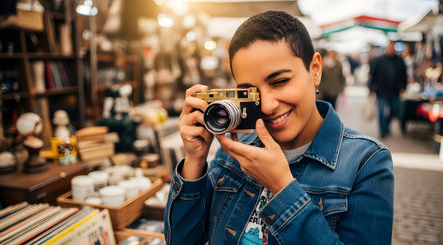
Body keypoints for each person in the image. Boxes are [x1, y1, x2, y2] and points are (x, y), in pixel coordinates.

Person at [165, 11, 394, 245]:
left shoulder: (366, 163)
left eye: (280, 82)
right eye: (250, 93)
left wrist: (282, 188)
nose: (267, 104)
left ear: (315, 70)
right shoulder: (237, 147)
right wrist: (195, 159)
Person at [369, 41, 407, 138]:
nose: (390, 49)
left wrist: (404, 87)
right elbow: (373, 75)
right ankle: (383, 130)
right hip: (381, 90)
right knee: (381, 111)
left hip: (395, 91)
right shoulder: (379, 60)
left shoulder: (399, 60)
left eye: (392, 47)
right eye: (389, 47)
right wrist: (370, 88)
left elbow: (404, 74)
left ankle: (387, 125)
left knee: (394, 110)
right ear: (386, 48)